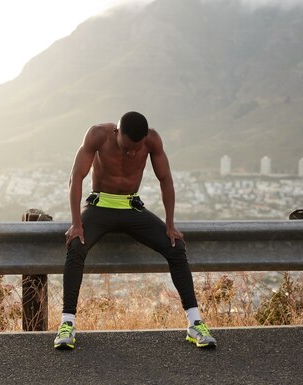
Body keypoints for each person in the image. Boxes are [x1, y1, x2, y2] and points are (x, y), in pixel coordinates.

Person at [54, 111, 216, 350]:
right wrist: (77, 223)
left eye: (135, 149)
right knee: (76, 245)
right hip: (100, 206)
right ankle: (67, 325)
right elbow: (76, 177)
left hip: (132, 208)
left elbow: (166, 180)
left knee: (176, 247)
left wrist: (170, 225)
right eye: (126, 148)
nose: (130, 153)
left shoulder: (152, 140)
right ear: (117, 133)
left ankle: (195, 324)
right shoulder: (98, 134)